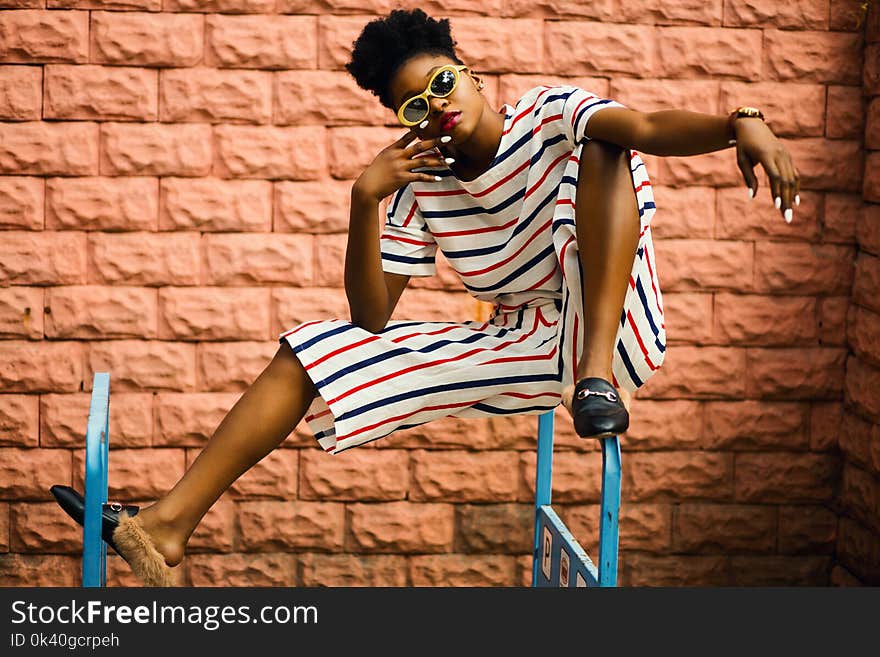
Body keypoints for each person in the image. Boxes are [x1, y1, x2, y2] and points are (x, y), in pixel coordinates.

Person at [50, 8, 800, 586]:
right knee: (313, 347)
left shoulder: (545, 114)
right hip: (528, 343)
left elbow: (640, 125)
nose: (436, 106)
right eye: (414, 106)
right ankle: (166, 524)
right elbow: (371, 318)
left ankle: (596, 376)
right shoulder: (423, 185)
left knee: (604, 143)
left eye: (442, 83)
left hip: (612, 321)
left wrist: (740, 124)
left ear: (468, 73)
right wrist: (364, 199)